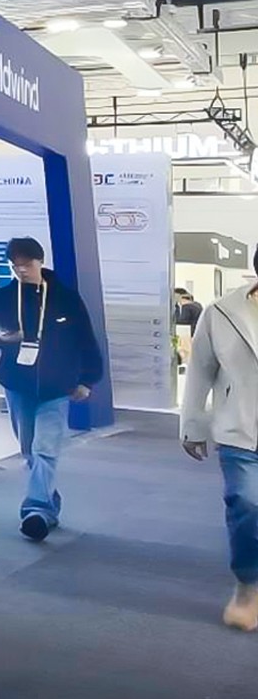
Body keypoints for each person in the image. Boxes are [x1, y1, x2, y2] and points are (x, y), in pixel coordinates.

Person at [0, 237, 102, 542]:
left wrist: (87, 380)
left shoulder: (65, 298)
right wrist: (1, 339)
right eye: (15, 266)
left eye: (27, 264)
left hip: (57, 386)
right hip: (17, 384)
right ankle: (48, 504)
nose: (21, 270)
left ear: (40, 261)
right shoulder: (4, 296)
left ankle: (35, 510)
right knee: (29, 450)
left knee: (45, 449)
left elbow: (86, 340)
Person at [180, 252, 258, 631]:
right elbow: (200, 370)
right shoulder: (222, 312)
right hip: (240, 428)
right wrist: (193, 424)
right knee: (246, 503)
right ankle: (248, 584)